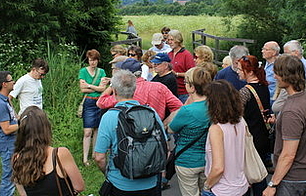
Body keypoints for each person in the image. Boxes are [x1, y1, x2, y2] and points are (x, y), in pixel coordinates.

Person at [94, 70, 165, 195]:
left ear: (114, 91)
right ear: (134, 89)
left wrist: (108, 172)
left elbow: (99, 157)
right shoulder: (151, 113)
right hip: (151, 183)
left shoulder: (110, 117)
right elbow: (165, 147)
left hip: (121, 184)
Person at [262, 54, 306, 196]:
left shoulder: (291, 110)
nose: (274, 76)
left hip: (292, 179)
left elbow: (288, 155)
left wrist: (272, 184)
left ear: (286, 76)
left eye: (277, 73)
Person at [12, 107, 84, 195]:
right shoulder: (59, 154)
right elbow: (79, 187)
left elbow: (23, 193)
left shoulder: (16, 158)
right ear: (46, 128)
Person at [168, 67, 212, 196]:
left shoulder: (187, 110)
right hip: (209, 159)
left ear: (192, 87)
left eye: (186, 82)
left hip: (187, 160)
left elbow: (171, 129)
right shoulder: (215, 105)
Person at [97, 58, 182, 121]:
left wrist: (112, 84)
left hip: (131, 135)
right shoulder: (159, 87)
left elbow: (101, 102)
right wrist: (165, 124)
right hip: (157, 133)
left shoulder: (125, 91)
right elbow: (179, 107)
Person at [202, 80, 249, 196]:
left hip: (221, 189)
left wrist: (207, 186)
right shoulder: (241, 121)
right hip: (241, 185)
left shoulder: (216, 129)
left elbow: (218, 168)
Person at [238, 55, 271, 196]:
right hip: (264, 136)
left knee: (251, 176)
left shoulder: (245, 92)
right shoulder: (264, 86)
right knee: (260, 172)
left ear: (250, 71)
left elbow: (236, 115)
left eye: (240, 69)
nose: (237, 72)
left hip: (251, 139)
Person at [0, 71, 19, 196]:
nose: (14, 82)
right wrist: (24, 124)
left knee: (14, 173)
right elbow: (6, 129)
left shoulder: (5, 99)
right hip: (7, 145)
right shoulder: (0, 104)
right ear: (4, 84)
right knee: (9, 178)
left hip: (11, 142)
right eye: (11, 80)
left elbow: (13, 117)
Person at [79, 49, 108, 166]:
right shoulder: (83, 71)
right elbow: (82, 89)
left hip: (99, 102)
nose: (92, 63)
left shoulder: (101, 72)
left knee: (96, 129)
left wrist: (90, 85)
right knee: (87, 131)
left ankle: (94, 154)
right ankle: (85, 158)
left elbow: (103, 89)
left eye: (95, 60)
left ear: (98, 61)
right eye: (91, 60)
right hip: (89, 102)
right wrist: (97, 87)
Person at [167, 30, 196, 103]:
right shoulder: (169, 54)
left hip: (184, 92)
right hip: (171, 91)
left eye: (172, 40)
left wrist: (177, 74)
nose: (170, 42)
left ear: (178, 40)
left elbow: (192, 73)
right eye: (168, 40)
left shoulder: (186, 55)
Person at [262, 41, 280, 106]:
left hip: (275, 99)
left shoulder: (279, 64)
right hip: (267, 98)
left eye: (266, 49)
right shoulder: (267, 63)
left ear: (274, 52)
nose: (262, 51)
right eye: (263, 49)